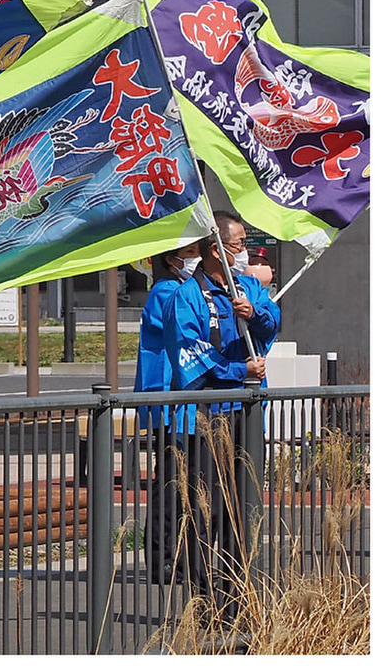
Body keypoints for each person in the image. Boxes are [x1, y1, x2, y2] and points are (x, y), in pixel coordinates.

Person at [163, 210, 280, 615]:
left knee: (242, 507)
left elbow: (270, 326)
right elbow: (189, 355)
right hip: (204, 417)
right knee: (203, 510)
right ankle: (201, 599)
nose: (244, 253)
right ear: (215, 249)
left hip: (245, 415)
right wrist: (238, 370)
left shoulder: (247, 286)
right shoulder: (186, 295)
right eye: (238, 245)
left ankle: (237, 599)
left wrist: (255, 313)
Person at [134, 240, 201, 585]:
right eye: (190, 254)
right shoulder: (167, 291)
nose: (195, 260)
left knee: (186, 484)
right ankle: (161, 559)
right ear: (171, 259)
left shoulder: (177, 289)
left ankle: (182, 556)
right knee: (171, 484)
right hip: (171, 402)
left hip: (185, 402)